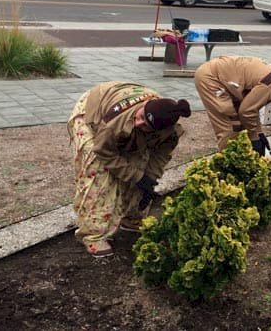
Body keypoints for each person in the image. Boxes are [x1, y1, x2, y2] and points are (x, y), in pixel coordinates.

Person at [67, 81, 191, 257]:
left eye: (146, 125)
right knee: (98, 175)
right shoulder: (116, 121)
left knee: (138, 167)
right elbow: (104, 151)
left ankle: (130, 217)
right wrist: (137, 177)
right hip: (91, 113)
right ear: (144, 107)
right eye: (140, 116)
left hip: (128, 128)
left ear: (160, 131)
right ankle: (93, 235)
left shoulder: (169, 132)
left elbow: (158, 157)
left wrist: (149, 181)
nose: (139, 122)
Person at [194, 56, 271, 154]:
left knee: (239, 126)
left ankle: (237, 161)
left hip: (225, 78)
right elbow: (246, 111)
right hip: (211, 78)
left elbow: (252, 109)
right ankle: (227, 167)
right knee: (229, 125)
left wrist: (259, 133)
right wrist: (255, 137)